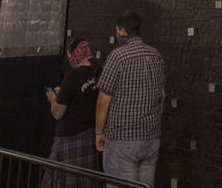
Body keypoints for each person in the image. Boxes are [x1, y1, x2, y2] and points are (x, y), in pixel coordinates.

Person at [94, 12, 164, 187]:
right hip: (151, 139)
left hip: (122, 141)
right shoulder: (156, 55)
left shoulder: (118, 56)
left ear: (123, 31)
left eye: (117, 30)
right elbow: (162, 95)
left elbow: (103, 100)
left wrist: (98, 132)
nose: (117, 34)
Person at [41, 39, 99, 188]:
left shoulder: (71, 77)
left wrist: (53, 99)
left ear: (72, 54)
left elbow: (57, 113)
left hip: (68, 137)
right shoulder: (97, 74)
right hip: (89, 137)